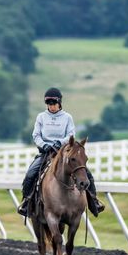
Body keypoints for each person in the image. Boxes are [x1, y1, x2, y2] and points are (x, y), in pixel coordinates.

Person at [17, 87, 105, 217]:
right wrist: (44, 145)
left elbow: (71, 134)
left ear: (59, 103)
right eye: (49, 104)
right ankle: (26, 202)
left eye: (53, 104)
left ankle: (94, 201)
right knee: (30, 174)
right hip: (46, 152)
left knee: (86, 174)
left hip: (63, 152)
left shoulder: (67, 117)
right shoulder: (41, 117)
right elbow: (36, 135)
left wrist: (60, 143)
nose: (51, 106)